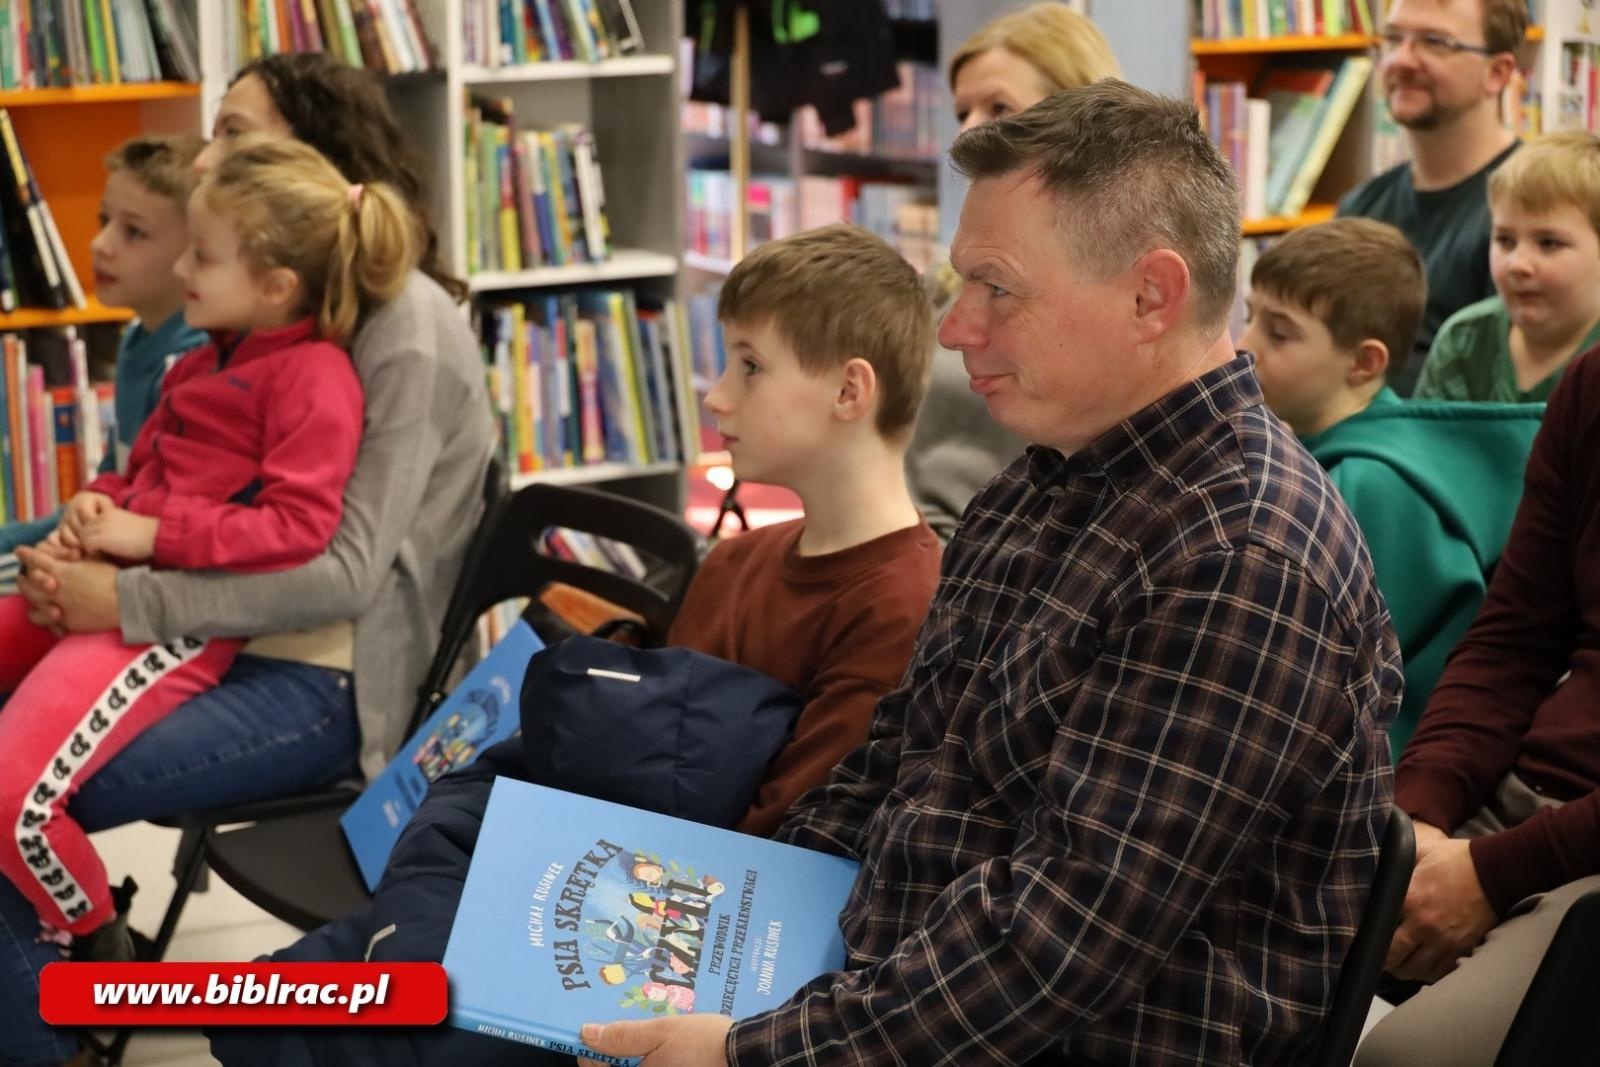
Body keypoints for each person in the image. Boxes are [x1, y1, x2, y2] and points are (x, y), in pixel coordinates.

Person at [581, 80, 1400, 1067]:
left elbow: (1053, 949)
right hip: (893, 989)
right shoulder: (1049, 473)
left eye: (996, 288)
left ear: (1152, 295)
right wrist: (727, 927)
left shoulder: (1241, 557)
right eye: (961, 283)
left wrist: (756, 1049)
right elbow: (896, 758)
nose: (955, 326)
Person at [209, 222, 944, 1067]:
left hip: (655, 937)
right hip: (577, 870)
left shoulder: (899, 605)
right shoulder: (737, 560)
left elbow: (782, 851)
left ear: (851, 391)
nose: (716, 396)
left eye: (750, 364)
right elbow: (629, 747)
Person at [0, 54, 493, 1067]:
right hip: (217, 625)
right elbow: (169, 479)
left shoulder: (403, 326)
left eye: (236, 133)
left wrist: (130, 593)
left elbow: (345, 570)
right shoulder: (248, 319)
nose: (207, 153)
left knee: (9, 792)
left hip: (321, 672)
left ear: (311, 169)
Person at [0, 135, 415, 964]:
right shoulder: (200, 361)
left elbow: (298, 531)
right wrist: (94, 507)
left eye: (203, 253)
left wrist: (146, 534)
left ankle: (92, 938)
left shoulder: (314, 378)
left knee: (13, 796)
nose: (184, 267)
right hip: (112, 581)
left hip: (171, 621)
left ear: (275, 285)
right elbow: (144, 471)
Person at [1354, 347, 1600, 1066]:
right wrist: (1416, 820)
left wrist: (1492, 876)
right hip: (1517, 805)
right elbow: (1513, 638)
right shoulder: (1589, 386)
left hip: (1572, 855)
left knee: (1412, 1055)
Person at [1242, 218, 1542, 758]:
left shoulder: (1365, 487)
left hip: (1384, 762)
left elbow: (1309, 676)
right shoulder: (1338, 452)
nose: (1246, 346)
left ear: (1364, 362)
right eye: (1250, 318)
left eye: (1279, 333)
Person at [907, 1, 1119, 540]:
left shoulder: (1106, 285)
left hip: (1016, 555)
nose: (968, 134)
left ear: (1078, 114)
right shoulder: (947, 279)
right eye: (962, 113)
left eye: (999, 107)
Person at [0, 135, 208, 581]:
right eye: (104, 220)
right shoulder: (137, 339)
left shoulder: (190, 368)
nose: (99, 243)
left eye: (133, 232)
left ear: (200, 249)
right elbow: (111, 487)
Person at [1337, 0, 1527, 394]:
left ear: (1498, 73)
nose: (1401, 60)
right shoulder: (1361, 207)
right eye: (1393, 39)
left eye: (1435, 42)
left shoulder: (1530, 217)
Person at [1416, 131, 1600, 402]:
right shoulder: (1464, 341)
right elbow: (1428, 442)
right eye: (1505, 240)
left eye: (1548, 243)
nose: (1517, 264)